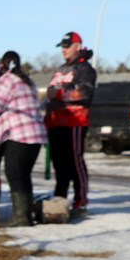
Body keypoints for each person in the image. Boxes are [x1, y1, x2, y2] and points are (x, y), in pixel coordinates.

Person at [45, 31, 97, 217]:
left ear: (77, 46)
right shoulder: (61, 69)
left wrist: (59, 94)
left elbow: (83, 93)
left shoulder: (85, 69)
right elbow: (49, 92)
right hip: (56, 121)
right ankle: (60, 198)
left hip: (75, 121)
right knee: (59, 164)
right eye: (62, 47)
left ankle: (81, 199)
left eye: (67, 46)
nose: (64, 50)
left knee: (75, 160)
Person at [0, 50, 47, 227]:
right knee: (23, 175)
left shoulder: (7, 80)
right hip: (36, 134)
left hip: (19, 134)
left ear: (3, 64)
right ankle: (26, 214)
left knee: (14, 173)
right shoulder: (27, 80)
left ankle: (21, 217)